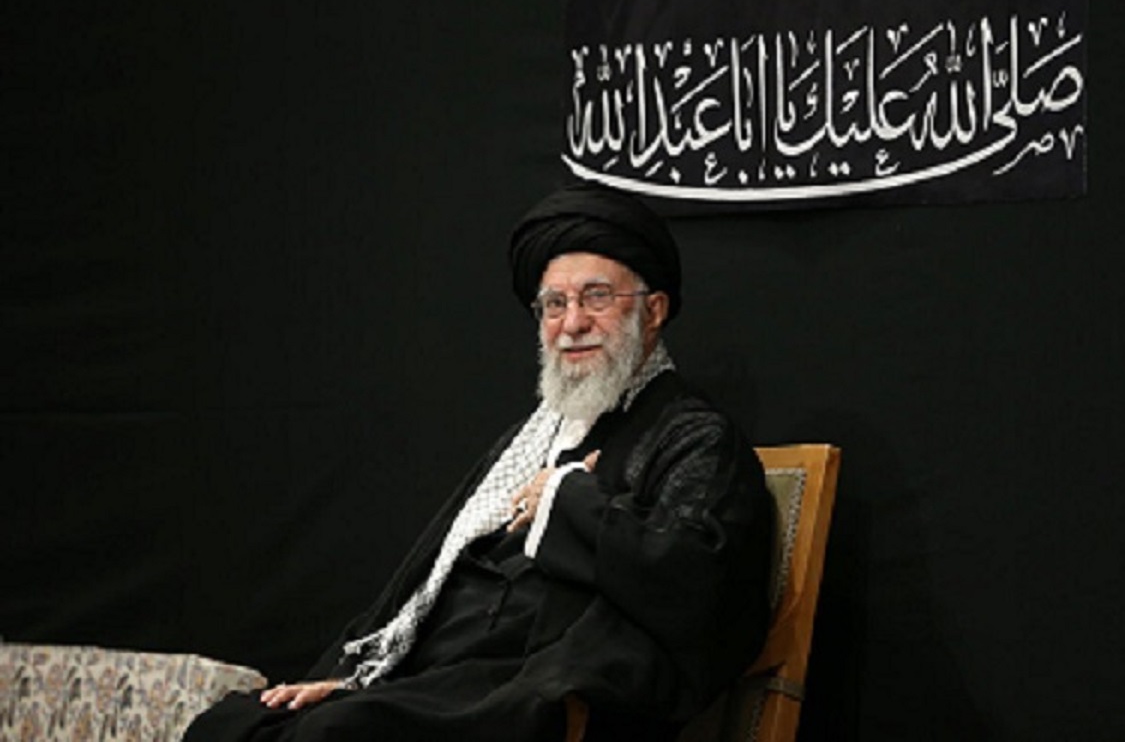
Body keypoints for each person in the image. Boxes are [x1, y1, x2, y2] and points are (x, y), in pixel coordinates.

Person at [184, 183, 773, 741]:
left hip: (522, 688)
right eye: (554, 305)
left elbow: (697, 589)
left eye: (597, 297)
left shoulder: (695, 438)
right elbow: (430, 580)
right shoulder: (534, 437)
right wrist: (355, 677)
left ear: (654, 310)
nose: (572, 324)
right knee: (230, 725)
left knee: (333, 734)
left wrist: (566, 500)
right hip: (436, 677)